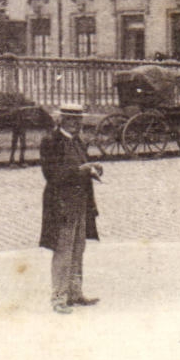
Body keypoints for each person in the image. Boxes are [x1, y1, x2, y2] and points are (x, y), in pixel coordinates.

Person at [40, 103, 103, 314]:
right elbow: (52, 175)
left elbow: (79, 167)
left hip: (81, 202)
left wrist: (92, 168)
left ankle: (75, 293)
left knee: (78, 248)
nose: (75, 123)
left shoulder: (78, 141)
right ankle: (58, 297)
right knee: (63, 251)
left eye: (78, 120)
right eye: (71, 120)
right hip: (61, 203)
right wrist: (81, 170)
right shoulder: (51, 142)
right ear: (61, 120)